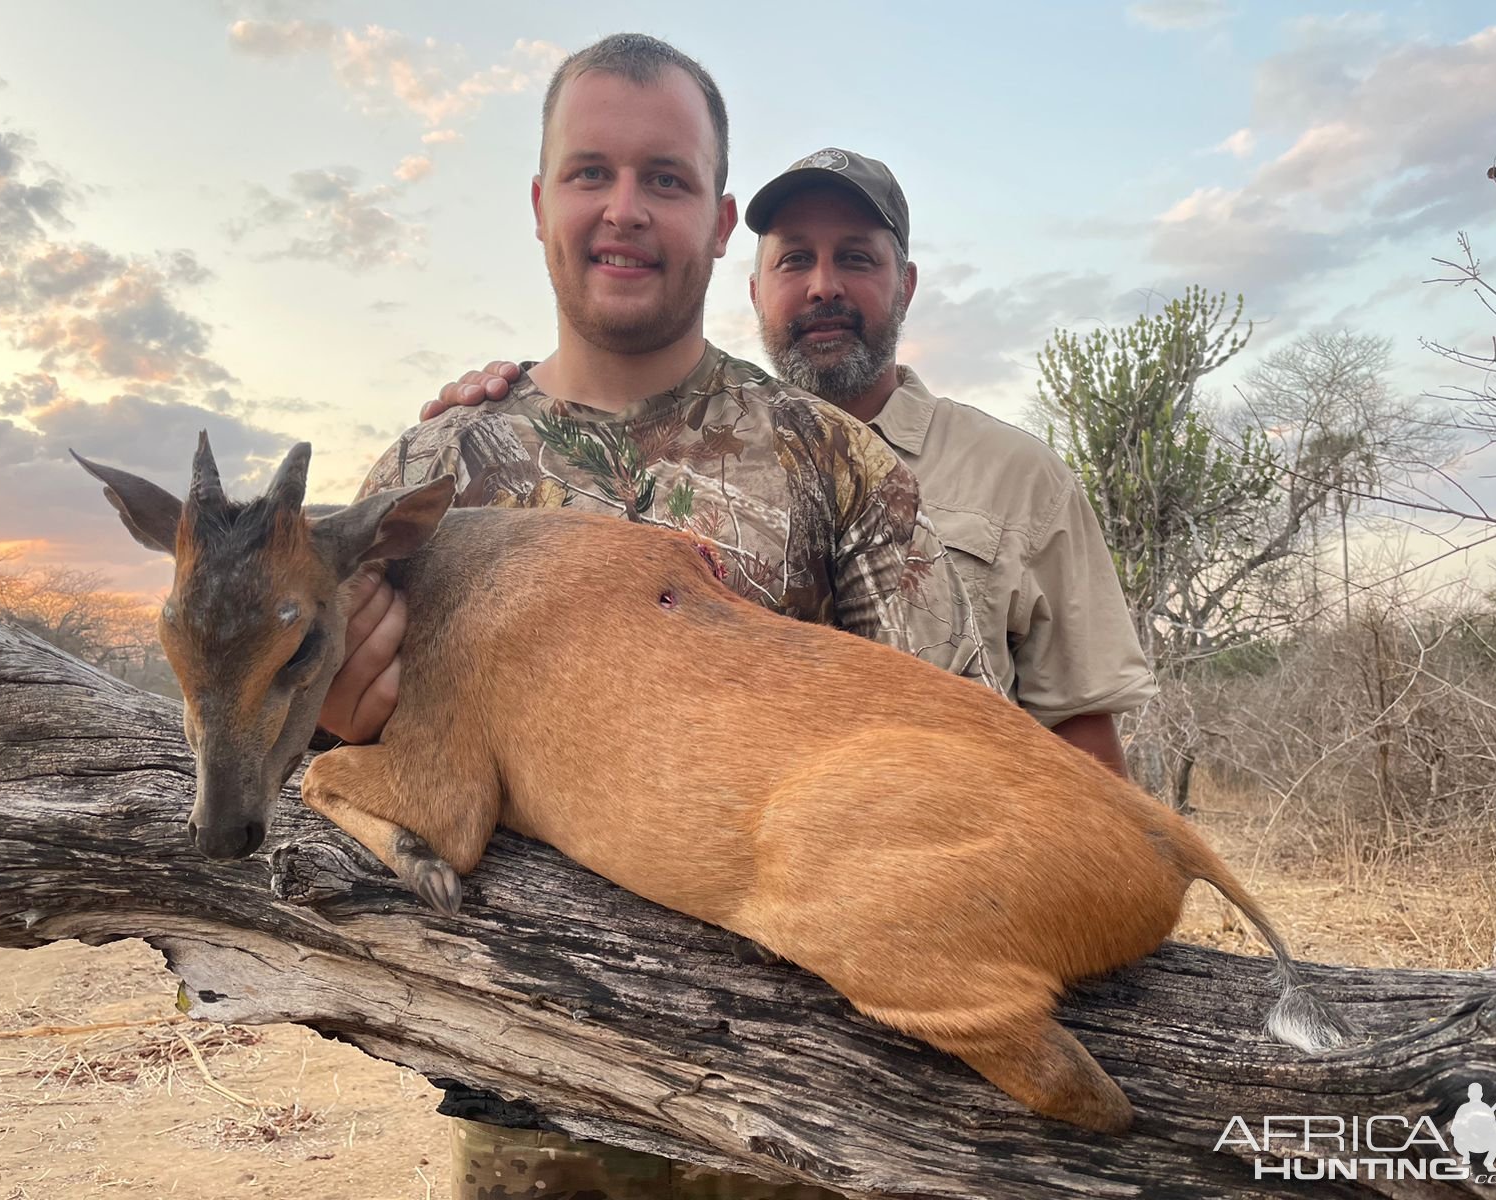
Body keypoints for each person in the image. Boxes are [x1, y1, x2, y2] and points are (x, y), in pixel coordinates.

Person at [325, 33, 996, 1200]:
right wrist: (335, 719)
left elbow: (965, 750)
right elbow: (332, 763)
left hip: (799, 1121)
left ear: (721, 218)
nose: (623, 209)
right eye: (590, 173)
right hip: (530, 1116)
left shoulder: (834, 459)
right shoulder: (425, 473)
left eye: (665, 179)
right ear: (540, 204)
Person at [431, 148, 1155, 777]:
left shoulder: (1021, 475)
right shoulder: (667, 460)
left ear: (905, 284)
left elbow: (1084, 745)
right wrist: (500, 416)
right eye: (795, 259)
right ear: (755, 293)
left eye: (857, 258)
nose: (823, 286)